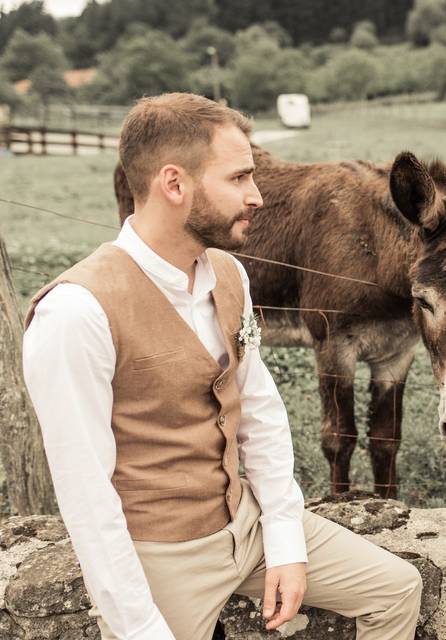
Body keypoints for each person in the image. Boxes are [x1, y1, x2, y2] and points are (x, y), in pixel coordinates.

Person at [22, 92, 422, 640]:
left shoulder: (228, 273)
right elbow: (86, 496)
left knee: (396, 589)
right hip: (164, 553)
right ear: (174, 184)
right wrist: (141, 629)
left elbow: (259, 411)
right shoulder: (75, 312)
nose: (257, 196)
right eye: (238, 179)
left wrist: (283, 538)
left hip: (247, 526)